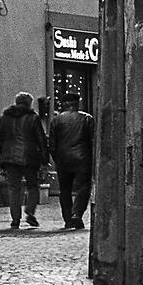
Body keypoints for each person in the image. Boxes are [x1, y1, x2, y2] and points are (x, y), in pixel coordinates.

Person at [0, 91, 52, 230]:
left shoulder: (5, 117)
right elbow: (41, 140)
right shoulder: (33, 118)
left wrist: (5, 150)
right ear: (29, 103)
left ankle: (15, 220)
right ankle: (30, 212)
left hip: (10, 159)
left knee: (14, 189)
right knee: (33, 186)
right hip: (30, 158)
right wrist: (44, 159)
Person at [46, 91, 96, 229]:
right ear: (77, 103)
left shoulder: (56, 120)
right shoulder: (87, 119)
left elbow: (52, 144)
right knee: (84, 187)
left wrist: (57, 159)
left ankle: (68, 218)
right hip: (83, 158)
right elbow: (93, 141)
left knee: (65, 189)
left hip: (63, 158)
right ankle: (77, 214)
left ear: (64, 105)